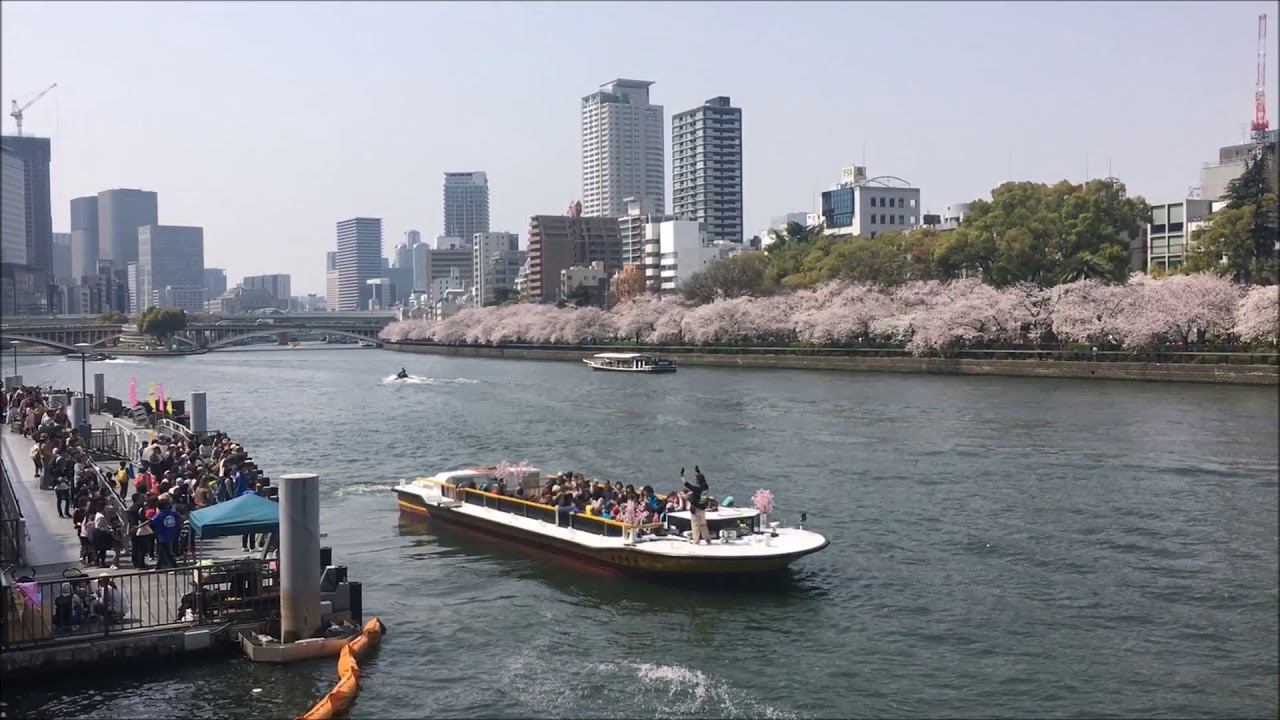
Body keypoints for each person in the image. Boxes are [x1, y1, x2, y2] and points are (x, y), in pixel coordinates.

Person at [682, 466, 711, 545]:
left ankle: (696, 540)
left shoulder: (696, 489)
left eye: (696, 479)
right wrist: (698, 472)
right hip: (702, 508)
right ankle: (707, 539)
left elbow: (686, 484)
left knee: (695, 525)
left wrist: (682, 476)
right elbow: (703, 480)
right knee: (703, 524)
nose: (695, 481)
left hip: (695, 509)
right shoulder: (706, 487)